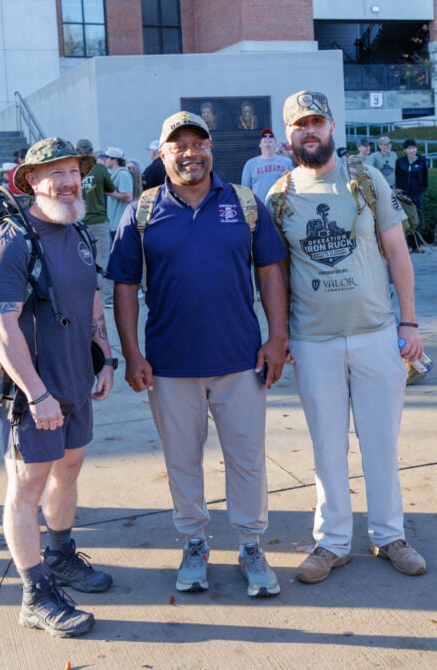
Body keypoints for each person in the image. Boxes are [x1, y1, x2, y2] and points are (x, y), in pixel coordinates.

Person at [108, 111, 288, 598]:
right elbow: (124, 286)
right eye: (178, 145)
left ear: (211, 149)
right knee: (183, 460)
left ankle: (251, 544)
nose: (190, 153)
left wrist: (277, 338)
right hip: (170, 364)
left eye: (199, 143)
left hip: (240, 360)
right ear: (162, 154)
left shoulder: (245, 204)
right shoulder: (143, 212)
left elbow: (271, 271)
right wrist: (132, 353)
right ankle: (193, 543)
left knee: (247, 460)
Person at [270, 91, 427, 585]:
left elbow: (398, 254)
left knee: (380, 441)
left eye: (317, 121)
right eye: (300, 125)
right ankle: (332, 543)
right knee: (327, 446)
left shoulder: (365, 179)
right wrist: (280, 336)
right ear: (287, 135)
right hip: (313, 340)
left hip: (376, 332)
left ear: (332, 126)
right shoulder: (279, 197)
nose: (309, 131)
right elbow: (274, 274)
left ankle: (389, 535)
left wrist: (409, 322)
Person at [0, 137, 116, 638]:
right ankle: (34, 594)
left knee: (69, 468)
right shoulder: (9, 241)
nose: (66, 180)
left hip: (78, 381)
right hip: (31, 393)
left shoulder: (76, 230)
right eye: (53, 173)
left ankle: (59, 556)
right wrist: (37, 394)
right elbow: (0, 327)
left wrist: (105, 359)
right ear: (31, 181)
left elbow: (92, 300)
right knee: (27, 486)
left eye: (72, 171)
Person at [75, 139, 114, 307]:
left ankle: (84, 297)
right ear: (91, 151)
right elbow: (111, 189)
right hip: (98, 220)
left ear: (77, 151)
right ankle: (108, 298)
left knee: (81, 258)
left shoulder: (73, 170)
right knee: (104, 258)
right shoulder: (100, 169)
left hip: (78, 221)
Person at [240, 129, 294, 202]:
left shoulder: (287, 162)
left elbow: (294, 186)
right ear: (260, 144)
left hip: (282, 208)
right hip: (260, 208)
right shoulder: (250, 164)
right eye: (264, 136)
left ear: (276, 144)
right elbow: (245, 190)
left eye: (271, 136)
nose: (267, 138)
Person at [100, 147, 133, 246]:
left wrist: (109, 192)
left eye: (107, 157)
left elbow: (128, 197)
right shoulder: (115, 175)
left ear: (115, 160)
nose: (105, 159)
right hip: (115, 223)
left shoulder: (122, 174)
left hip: (121, 223)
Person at [394, 139, 428, 216]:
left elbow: (425, 177)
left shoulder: (422, 161)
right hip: (403, 194)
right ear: (405, 150)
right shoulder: (400, 161)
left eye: (414, 148)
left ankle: (417, 228)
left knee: (417, 215)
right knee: (404, 216)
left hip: (416, 194)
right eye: (409, 148)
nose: (412, 150)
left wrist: (421, 190)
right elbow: (397, 175)